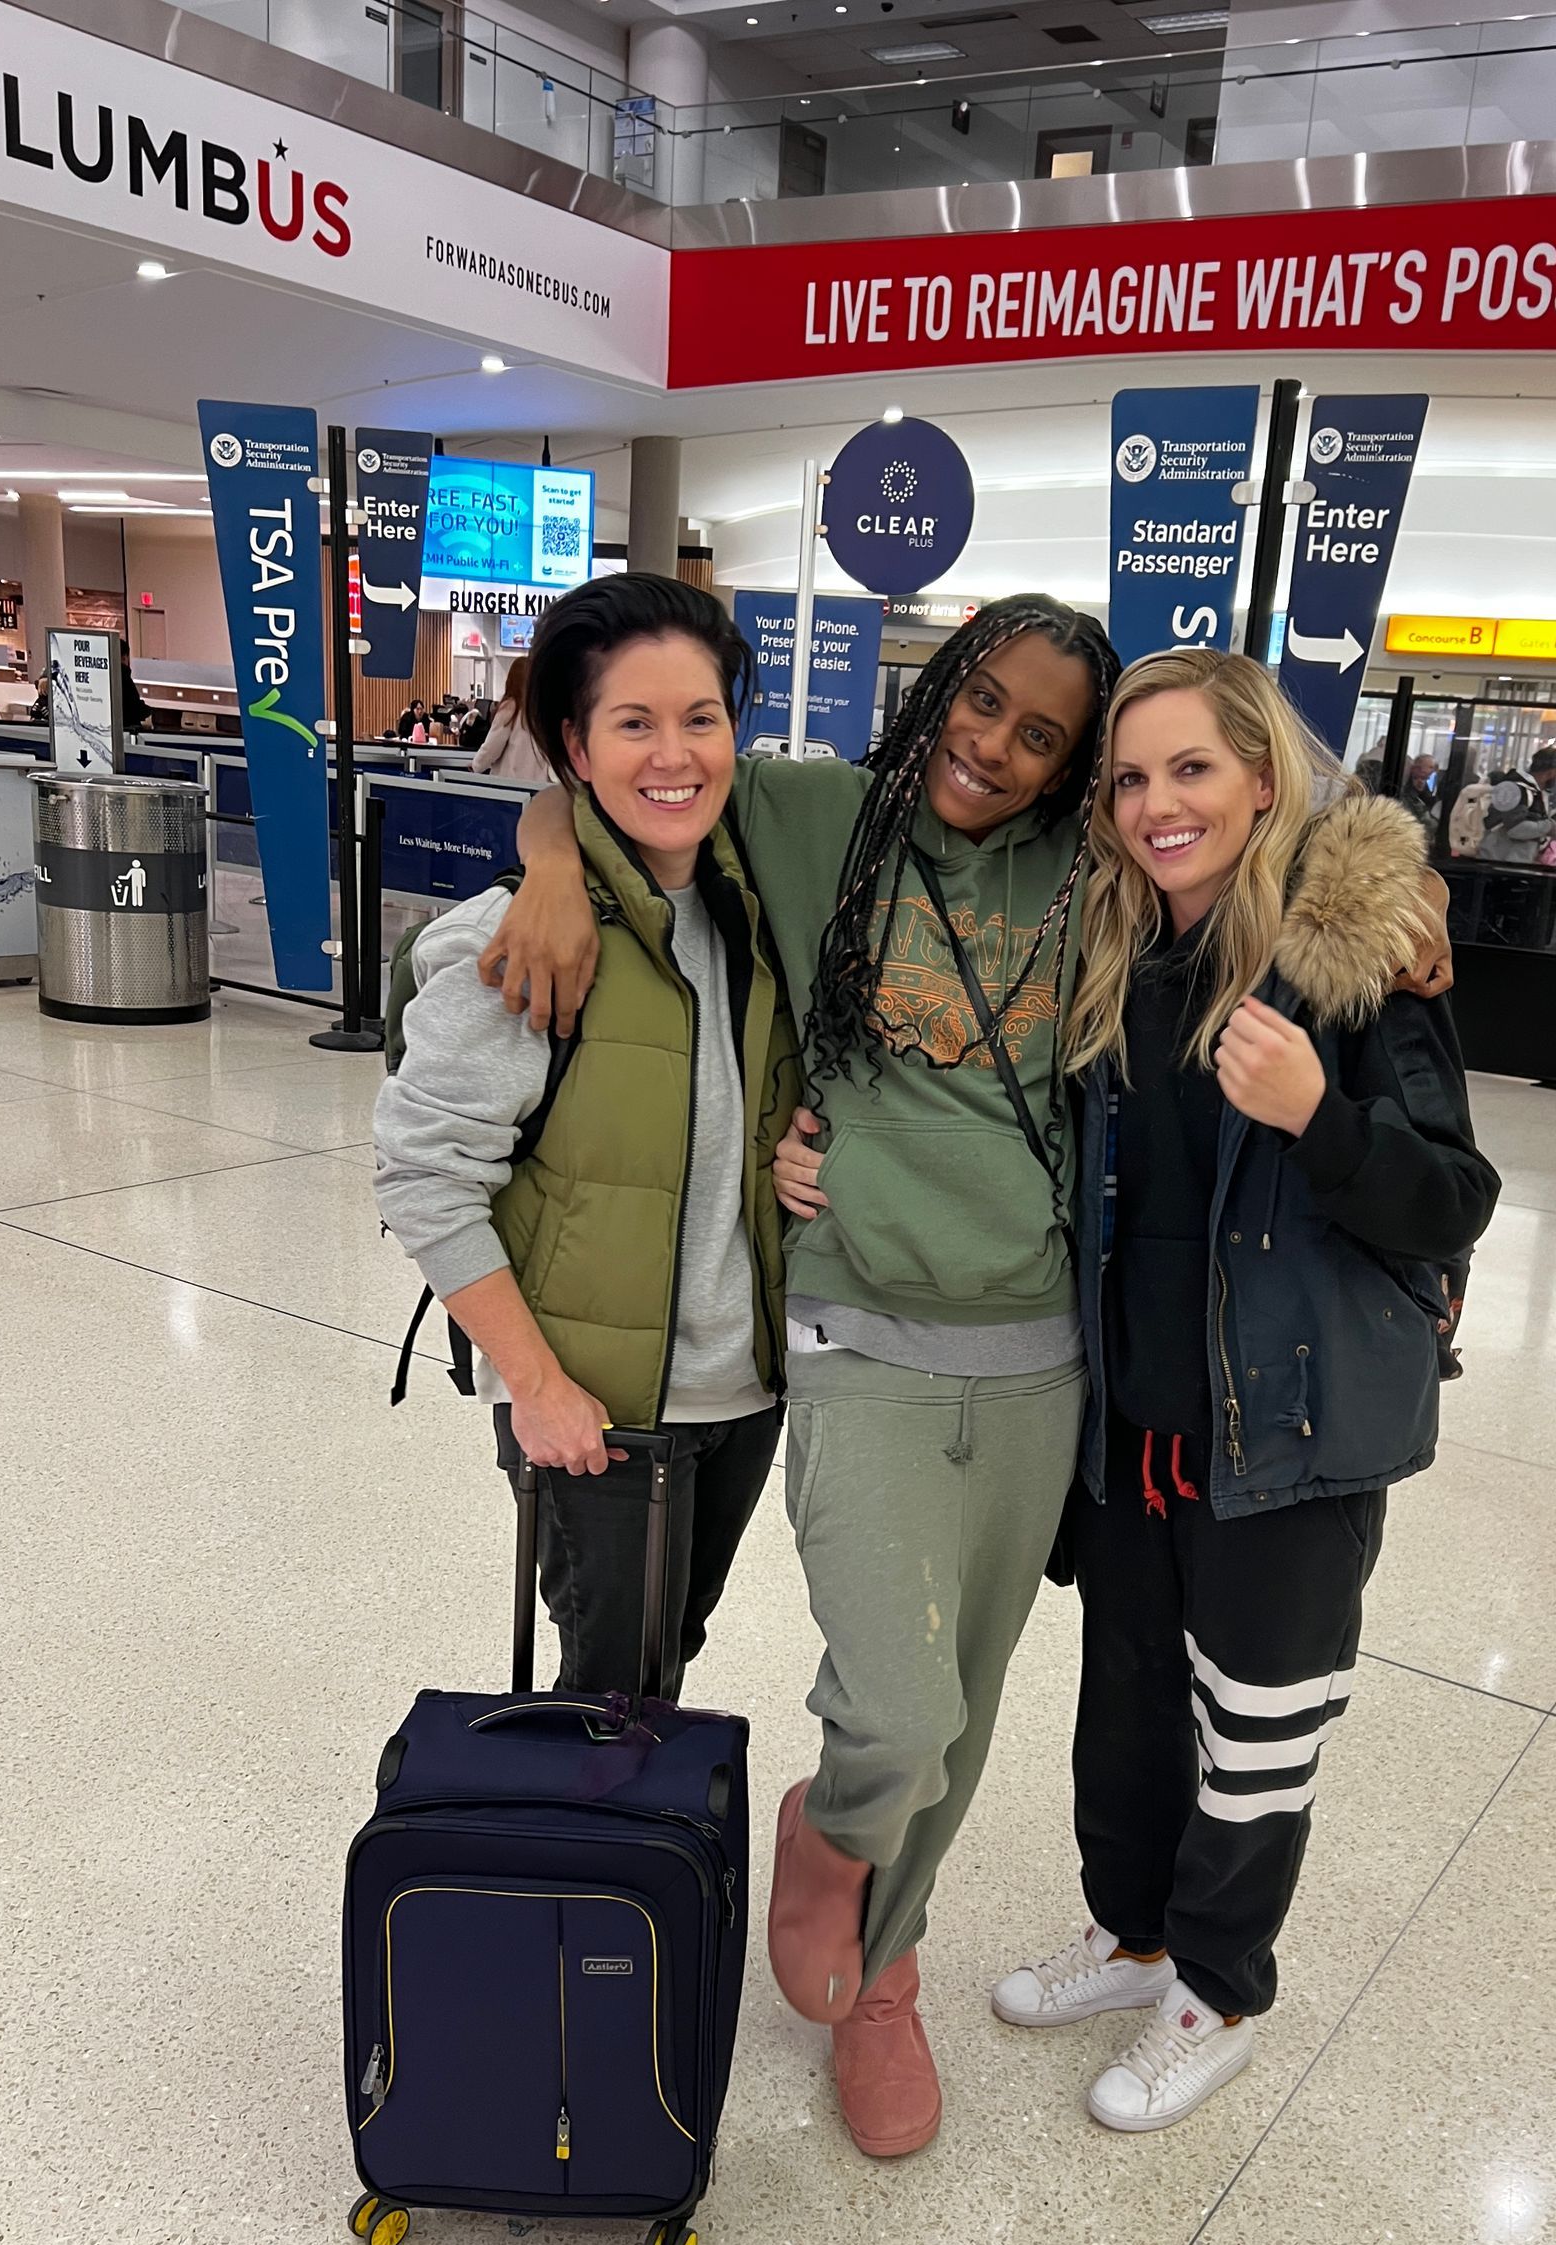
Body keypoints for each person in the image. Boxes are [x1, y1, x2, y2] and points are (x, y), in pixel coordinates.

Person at [488, 598, 1458, 2163]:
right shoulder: (814, 817)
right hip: (861, 1335)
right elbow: (640, 780)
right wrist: (542, 860)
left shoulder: (1098, 876)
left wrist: (1383, 892)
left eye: (1042, 736)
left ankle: (882, 1978)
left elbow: (1245, 797)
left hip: (1043, 1371)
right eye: (978, 702)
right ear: (935, 686)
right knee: (898, 1709)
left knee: (980, 1715)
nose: (992, 745)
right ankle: (832, 1834)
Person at [983, 651, 1498, 2131]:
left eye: (1191, 770)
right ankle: (1134, 1937)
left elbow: (1453, 1195)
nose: (1158, 806)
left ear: (1265, 779)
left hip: (1292, 1432)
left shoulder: (1357, 964)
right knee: (1129, 1708)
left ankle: (1216, 1994)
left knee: (1257, 1728)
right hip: (1140, 1422)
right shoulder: (1112, 956)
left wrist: (1324, 1120)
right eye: (1132, 780)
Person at [373, 574, 801, 1705]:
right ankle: (582, 1883)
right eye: (634, 722)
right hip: (598, 1410)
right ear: (576, 741)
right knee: (607, 1689)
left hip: (742, 1393)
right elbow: (422, 1177)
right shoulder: (515, 946)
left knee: (666, 1658)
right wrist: (537, 1385)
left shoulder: (756, 910)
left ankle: (628, 1874)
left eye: (700, 718)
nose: (675, 753)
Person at [472, 657, 552, 783]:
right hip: (538, 786)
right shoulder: (543, 711)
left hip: (510, 786)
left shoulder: (511, 708)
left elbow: (492, 748)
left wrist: (475, 765)